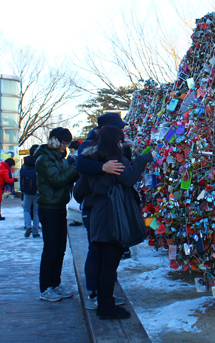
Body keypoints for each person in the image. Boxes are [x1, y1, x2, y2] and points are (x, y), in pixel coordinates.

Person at [78, 125, 154, 319]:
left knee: (103, 263)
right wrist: (142, 158)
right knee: (109, 266)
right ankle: (106, 307)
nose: (121, 144)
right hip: (114, 217)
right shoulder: (115, 161)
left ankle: (105, 303)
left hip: (98, 216)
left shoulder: (92, 161)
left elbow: (79, 193)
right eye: (120, 141)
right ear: (115, 142)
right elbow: (128, 179)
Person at [74, 113, 127, 309]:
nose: (122, 130)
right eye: (118, 127)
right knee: (96, 249)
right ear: (107, 128)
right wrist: (102, 166)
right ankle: (93, 293)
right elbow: (80, 164)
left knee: (108, 252)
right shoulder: (89, 145)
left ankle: (106, 295)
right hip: (94, 205)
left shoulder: (109, 143)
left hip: (106, 206)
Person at [36, 127, 79, 302]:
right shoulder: (44, 159)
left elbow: (64, 179)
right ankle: (45, 288)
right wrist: (75, 169)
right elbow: (57, 180)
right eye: (64, 143)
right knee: (51, 249)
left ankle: (55, 284)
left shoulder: (58, 158)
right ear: (54, 141)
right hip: (48, 208)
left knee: (60, 248)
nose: (66, 146)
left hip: (59, 206)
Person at [21, 145, 40, 238]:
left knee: (26, 209)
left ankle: (28, 225)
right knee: (36, 212)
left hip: (27, 191)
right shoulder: (39, 162)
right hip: (37, 191)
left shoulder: (25, 164)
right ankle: (35, 231)